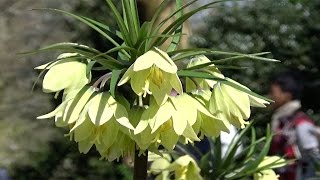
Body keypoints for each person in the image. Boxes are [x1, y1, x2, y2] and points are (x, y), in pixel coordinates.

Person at [269, 71, 320, 180]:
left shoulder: (301, 124)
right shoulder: (283, 122)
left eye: (273, 92)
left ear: (287, 95)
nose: (270, 97)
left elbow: (315, 157)